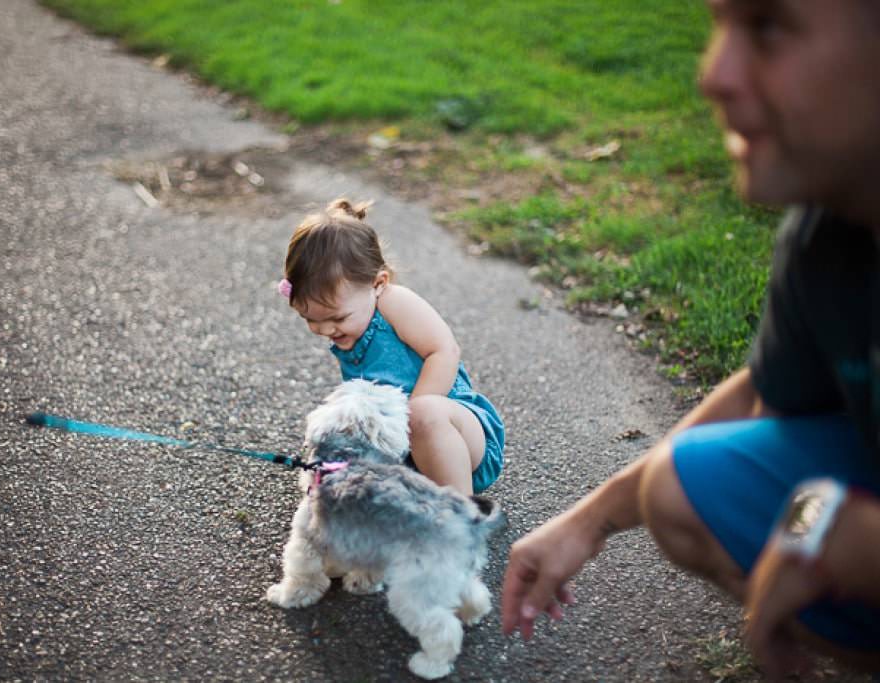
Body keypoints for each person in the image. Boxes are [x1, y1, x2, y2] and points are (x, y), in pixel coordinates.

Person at [501, 0, 880, 677]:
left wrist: (852, 540)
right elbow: (771, 400)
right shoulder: (827, 235)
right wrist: (587, 521)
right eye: (720, 25)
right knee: (679, 485)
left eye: (767, 27)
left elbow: (827, 521)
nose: (712, 75)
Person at [279, 198, 504, 497]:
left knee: (423, 413)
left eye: (337, 318)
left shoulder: (394, 303)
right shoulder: (352, 322)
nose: (324, 330)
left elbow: (444, 351)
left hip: (459, 436)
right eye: (310, 320)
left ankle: (462, 517)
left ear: (378, 283)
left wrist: (410, 415)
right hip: (409, 454)